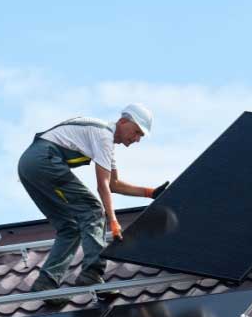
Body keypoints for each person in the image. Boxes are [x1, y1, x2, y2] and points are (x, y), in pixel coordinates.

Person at [18, 104, 167, 293]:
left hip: (28, 164)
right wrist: (113, 220)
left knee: (69, 227)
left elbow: (114, 184)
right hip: (44, 159)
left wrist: (151, 193)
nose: (137, 139)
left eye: (141, 136)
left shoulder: (105, 142)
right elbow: (102, 186)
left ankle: (45, 282)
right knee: (94, 210)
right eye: (136, 132)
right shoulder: (104, 135)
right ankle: (92, 273)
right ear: (122, 122)